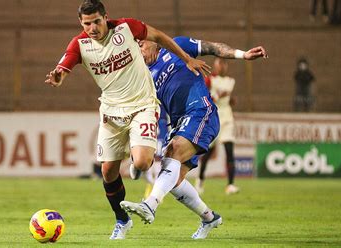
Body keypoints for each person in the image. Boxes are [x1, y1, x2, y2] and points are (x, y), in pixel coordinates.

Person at [44, 0, 210, 240]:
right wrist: (59, 77)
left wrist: (186, 58)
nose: (92, 28)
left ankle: (136, 156)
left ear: (105, 17)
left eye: (96, 22)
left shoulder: (126, 28)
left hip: (142, 104)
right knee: (108, 171)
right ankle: (122, 221)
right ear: (81, 23)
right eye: (87, 23)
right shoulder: (80, 44)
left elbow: (160, 37)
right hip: (111, 112)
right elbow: (64, 65)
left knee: (143, 163)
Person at [120, 36, 267, 239]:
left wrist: (242, 54)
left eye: (141, 44)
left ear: (154, 41)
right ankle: (209, 218)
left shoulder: (177, 46)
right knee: (174, 178)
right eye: (135, 48)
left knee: (173, 153)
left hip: (200, 111)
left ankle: (150, 205)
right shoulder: (144, 76)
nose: (139, 49)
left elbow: (213, 46)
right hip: (179, 123)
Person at [196, 58, 239, 195]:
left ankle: (230, 185)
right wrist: (216, 96)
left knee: (229, 151)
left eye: (223, 64)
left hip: (227, 118)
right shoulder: (210, 80)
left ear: (226, 66)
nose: (221, 67)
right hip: (214, 118)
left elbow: (228, 99)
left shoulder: (230, 81)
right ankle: (200, 179)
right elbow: (204, 96)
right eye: (218, 64)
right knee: (208, 153)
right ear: (215, 66)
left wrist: (231, 100)